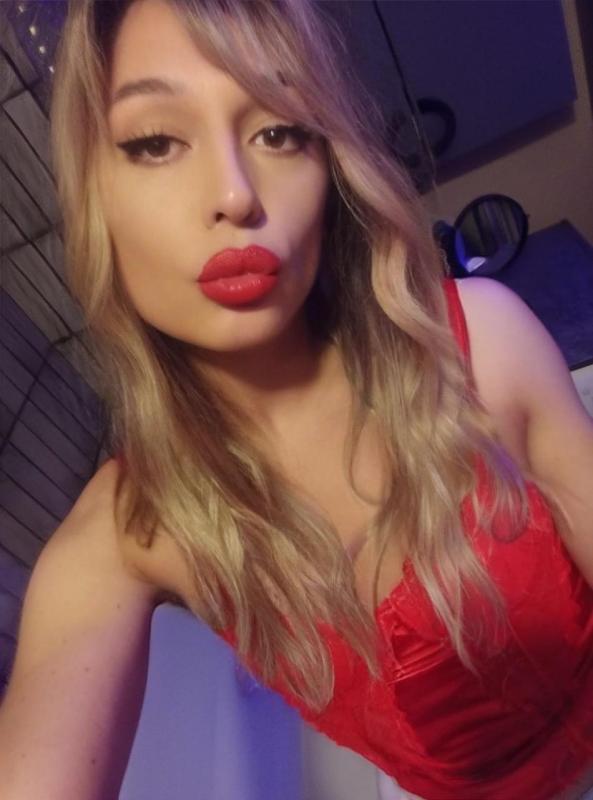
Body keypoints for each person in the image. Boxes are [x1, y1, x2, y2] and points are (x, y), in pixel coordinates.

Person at [1, 1, 593, 798]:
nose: (234, 193)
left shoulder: (479, 344)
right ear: (92, 194)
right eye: (155, 142)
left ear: (329, 162)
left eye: (278, 131)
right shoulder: (126, 533)